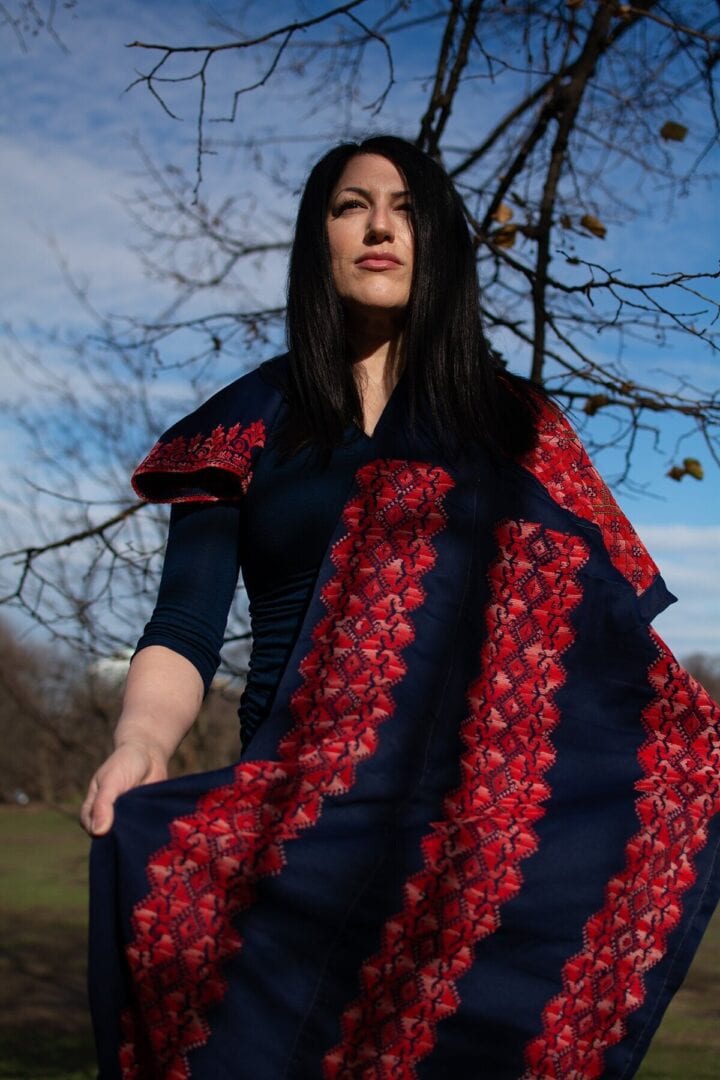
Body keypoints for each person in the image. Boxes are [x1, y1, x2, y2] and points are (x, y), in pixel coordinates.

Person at [84, 135, 720, 1080]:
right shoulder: (249, 422)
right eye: (351, 205)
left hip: (460, 856)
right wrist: (142, 742)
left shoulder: (519, 431)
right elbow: (184, 624)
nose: (381, 225)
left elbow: (605, 638)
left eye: (408, 207)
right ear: (319, 240)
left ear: (441, 243)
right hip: (289, 836)